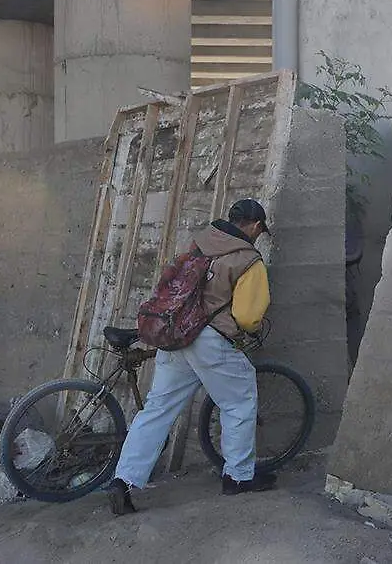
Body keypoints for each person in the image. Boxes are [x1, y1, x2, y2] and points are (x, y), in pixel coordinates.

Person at [107, 198, 274, 515]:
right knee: (239, 401)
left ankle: (122, 481)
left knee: (158, 410)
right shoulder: (248, 259)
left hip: (176, 335)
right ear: (254, 226)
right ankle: (238, 478)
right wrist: (248, 327)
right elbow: (249, 316)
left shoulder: (199, 242)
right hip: (210, 340)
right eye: (260, 229)